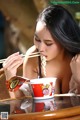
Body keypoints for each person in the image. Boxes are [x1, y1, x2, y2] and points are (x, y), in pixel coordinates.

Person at [3, 5, 80, 98]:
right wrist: (10, 78)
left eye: (48, 43)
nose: (40, 48)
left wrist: (78, 79)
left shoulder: (77, 60)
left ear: (63, 40)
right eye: (37, 39)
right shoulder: (34, 58)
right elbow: (21, 103)